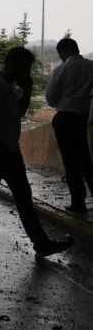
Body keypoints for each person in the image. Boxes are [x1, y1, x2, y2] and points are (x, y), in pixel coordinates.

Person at [0, 47, 74, 260]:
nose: (28, 72)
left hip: (4, 153)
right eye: (26, 67)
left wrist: (28, 89)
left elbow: (19, 112)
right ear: (14, 64)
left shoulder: (6, 86)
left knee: (21, 198)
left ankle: (41, 243)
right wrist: (2, 151)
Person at [45, 37, 93, 213]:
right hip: (85, 119)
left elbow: (51, 99)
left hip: (65, 119)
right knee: (87, 160)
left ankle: (78, 202)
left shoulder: (61, 70)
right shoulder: (91, 67)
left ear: (62, 52)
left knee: (71, 162)